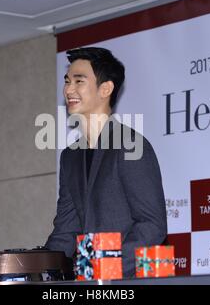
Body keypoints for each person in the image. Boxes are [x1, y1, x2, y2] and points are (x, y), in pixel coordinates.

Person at [44, 47, 167, 278]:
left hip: (134, 278)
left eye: (79, 81)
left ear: (106, 88)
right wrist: (40, 267)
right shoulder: (70, 156)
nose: (68, 89)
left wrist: (100, 265)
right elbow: (66, 229)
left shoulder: (131, 145)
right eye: (67, 81)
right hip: (92, 277)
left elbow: (152, 226)